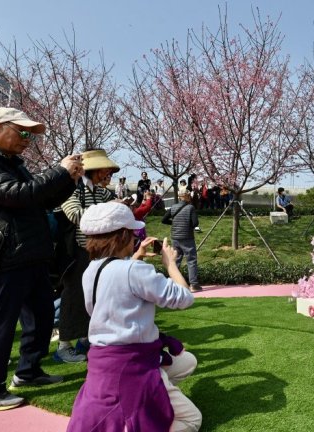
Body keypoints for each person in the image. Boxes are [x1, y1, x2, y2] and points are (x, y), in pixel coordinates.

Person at [0, 107, 83, 410]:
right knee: (0, 325)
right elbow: (18, 195)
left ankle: (28, 372)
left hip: (31, 253)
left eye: (30, 134)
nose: (28, 139)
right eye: (22, 131)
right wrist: (58, 170)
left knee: (41, 319)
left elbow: (40, 200)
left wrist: (69, 179)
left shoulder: (12, 163)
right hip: (6, 256)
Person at [66, 202, 201, 431]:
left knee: (187, 362)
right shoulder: (134, 271)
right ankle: (141, 404)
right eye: (134, 233)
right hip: (134, 364)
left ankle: (149, 397)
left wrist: (135, 259)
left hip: (105, 361)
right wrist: (170, 265)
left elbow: (104, 299)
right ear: (122, 237)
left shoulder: (92, 270)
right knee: (191, 419)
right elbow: (184, 297)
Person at [57, 149, 119, 363]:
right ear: (93, 169)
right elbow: (74, 214)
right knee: (73, 296)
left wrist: (118, 207)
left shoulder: (101, 192)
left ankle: (86, 338)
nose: (108, 174)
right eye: (105, 169)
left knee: (92, 297)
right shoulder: (71, 189)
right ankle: (63, 345)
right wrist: (108, 210)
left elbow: (111, 208)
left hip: (96, 252)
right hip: (75, 252)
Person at [162, 190, 202, 292]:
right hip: (187, 237)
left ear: (180, 197)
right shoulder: (190, 208)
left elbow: (164, 220)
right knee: (191, 260)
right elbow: (195, 223)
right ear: (187, 196)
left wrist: (174, 223)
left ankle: (173, 283)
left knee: (176, 260)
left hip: (175, 237)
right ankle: (194, 284)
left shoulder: (174, 207)